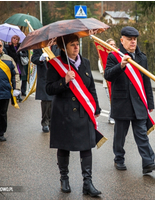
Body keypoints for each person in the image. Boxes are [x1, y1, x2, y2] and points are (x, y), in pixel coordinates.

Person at [46, 33, 102, 196]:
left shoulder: (85, 62)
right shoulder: (54, 64)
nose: (76, 47)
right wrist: (64, 81)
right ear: (63, 47)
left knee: (86, 147)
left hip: (83, 111)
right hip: (63, 113)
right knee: (64, 147)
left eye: (77, 44)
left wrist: (96, 108)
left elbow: (91, 88)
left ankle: (88, 183)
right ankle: (64, 179)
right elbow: (48, 89)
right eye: (72, 44)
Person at [104, 26, 155, 174]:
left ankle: (148, 162)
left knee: (142, 134)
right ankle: (119, 159)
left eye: (135, 39)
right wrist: (121, 65)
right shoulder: (114, 56)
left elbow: (146, 81)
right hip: (122, 102)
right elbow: (108, 76)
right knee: (120, 135)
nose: (133, 42)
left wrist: (150, 102)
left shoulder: (142, 57)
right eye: (129, 39)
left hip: (139, 102)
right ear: (122, 40)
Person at [31, 45, 60, 133]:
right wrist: (40, 59)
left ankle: (53, 121)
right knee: (46, 101)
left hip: (56, 76)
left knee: (55, 101)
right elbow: (33, 58)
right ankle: (45, 123)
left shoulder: (59, 45)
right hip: (44, 76)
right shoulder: (40, 46)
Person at [97, 38, 116, 124]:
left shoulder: (117, 56)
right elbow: (103, 71)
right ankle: (111, 117)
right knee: (111, 101)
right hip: (108, 83)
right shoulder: (102, 58)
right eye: (110, 44)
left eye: (114, 45)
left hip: (116, 83)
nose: (112, 46)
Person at [6, 35, 28, 102]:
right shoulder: (8, 46)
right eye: (13, 38)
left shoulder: (20, 46)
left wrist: (21, 53)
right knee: (11, 79)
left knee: (18, 79)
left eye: (16, 39)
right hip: (11, 64)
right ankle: (12, 93)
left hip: (18, 65)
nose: (15, 40)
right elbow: (8, 55)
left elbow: (25, 54)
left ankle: (18, 94)